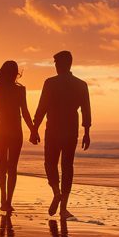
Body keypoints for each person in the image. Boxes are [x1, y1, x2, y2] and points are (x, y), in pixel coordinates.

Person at [30, 51, 91, 218]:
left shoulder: (50, 83)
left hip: (54, 129)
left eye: (57, 64)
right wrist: (87, 132)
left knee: (50, 164)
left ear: (64, 64)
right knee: (67, 167)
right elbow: (86, 110)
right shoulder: (81, 84)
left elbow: (42, 107)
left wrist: (35, 128)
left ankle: (57, 193)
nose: (56, 67)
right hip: (71, 129)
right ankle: (63, 207)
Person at [0, 60, 34, 213]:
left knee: (2, 167)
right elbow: (24, 113)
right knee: (11, 168)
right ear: (14, 73)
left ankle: (4, 199)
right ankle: (7, 200)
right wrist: (32, 130)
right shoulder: (18, 90)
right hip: (14, 131)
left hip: (1, 132)